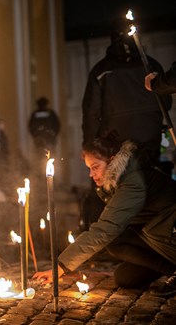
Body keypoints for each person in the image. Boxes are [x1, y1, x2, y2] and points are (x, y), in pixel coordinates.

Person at [33, 133, 176, 296]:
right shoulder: (116, 181)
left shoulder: (133, 182)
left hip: (169, 231)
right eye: (89, 168)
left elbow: (104, 230)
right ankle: (172, 269)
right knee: (125, 278)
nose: (91, 174)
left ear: (112, 161)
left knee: (111, 236)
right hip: (157, 235)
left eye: (95, 167)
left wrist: (59, 268)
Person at [80, 22, 170, 230]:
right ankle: (153, 230)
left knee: (121, 188)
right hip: (150, 137)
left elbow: (91, 112)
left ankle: (124, 233)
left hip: (116, 141)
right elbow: (166, 101)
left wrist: (89, 147)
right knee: (148, 185)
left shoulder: (101, 70)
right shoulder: (151, 65)